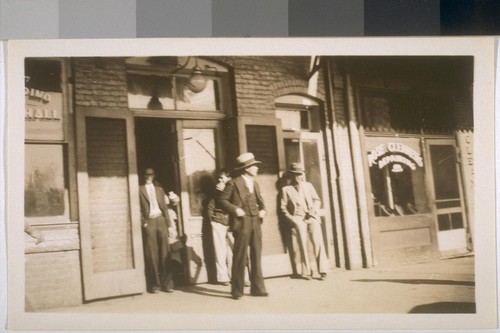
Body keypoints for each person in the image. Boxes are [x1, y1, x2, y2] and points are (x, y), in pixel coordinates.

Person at [219, 152, 268, 299]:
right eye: (254, 166)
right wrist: (235, 209)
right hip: (242, 223)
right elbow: (222, 200)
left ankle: (258, 289)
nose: (257, 168)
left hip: (255, 222)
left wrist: (264, 210)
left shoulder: (255, 183)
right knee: (240, 256)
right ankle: (237, 291)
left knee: (256, 255)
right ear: (247, 168)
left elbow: (261, 201)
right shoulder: (233, 183)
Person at [280, 163, 329, 280]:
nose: (298, 176)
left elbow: (317, 200)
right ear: (291, 176)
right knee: (302, 244)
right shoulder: (286, 190)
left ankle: (323, 270)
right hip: (298, 219)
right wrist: (292, 219)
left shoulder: (308, 186)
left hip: (312, 217)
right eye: (295, 174)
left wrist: (314, 209)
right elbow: (283, 207)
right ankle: (306, 272)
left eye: (300, 174)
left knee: (318, 242)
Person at [139, 167, 176, 293]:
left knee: (165, 253)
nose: (148, 176)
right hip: (150, 221)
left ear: (154, 175)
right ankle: (155, 285)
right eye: (146, 174)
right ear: (143, 175)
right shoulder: (139, 189)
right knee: (152, 254)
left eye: (151, 174)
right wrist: (144, 223)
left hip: (161, 220)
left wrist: (169, 225)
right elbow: (137, 209)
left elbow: (165, 209)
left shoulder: (159, 190)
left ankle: (168, 284)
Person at [206, 168, 233, 286]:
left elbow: (234, 203)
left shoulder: (233, 189)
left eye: (222, 177)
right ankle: (223, 277)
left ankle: (235, 275)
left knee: (233, 250)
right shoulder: (216, 191)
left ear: (229, 178)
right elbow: (210, 206)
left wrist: (224, 192)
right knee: (220, 250)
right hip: (218, 222)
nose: (219, 180)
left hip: (232, 223)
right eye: (219, 177)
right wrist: (212, 219)